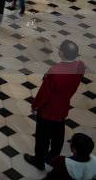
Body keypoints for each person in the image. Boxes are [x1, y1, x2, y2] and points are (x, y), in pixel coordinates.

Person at [24, 41, 85, 171]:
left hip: (48, 110)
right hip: (63, 106)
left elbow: (44, 94)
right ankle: (53, 158)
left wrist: (35, 106)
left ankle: (39, 161)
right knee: (58, 135)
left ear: (61, 53)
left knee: (42, 138)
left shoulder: (55, 71)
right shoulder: (80, 66)